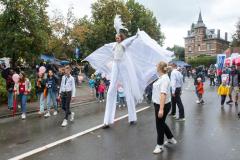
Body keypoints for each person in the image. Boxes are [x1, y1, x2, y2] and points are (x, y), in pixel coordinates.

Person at [84, 15, 174, 129]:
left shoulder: (124, 44)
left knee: (128, 91)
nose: (116, 38)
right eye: (115, 37)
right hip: (116, 65)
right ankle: (107, 120)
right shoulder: (114, 45)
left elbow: (131, 40)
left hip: (124, 66)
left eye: (118, 37)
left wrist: (137, 35)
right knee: (111, 90)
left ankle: (132, 117)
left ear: (121, 38)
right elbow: (107, 49)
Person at [152, 62, 177, 154]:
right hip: (159, 104)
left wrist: (161, 109)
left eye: (156, 65)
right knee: (161, 123)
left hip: (161, 105)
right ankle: (170, 138)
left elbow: (163, 94)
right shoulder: (162, 77)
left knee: (159, 125)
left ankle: (160, 145)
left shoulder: (165, 79)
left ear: (160, 68)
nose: (155, 67)